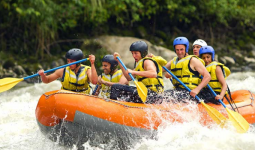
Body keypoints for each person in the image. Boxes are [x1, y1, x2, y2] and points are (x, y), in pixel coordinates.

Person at [164, 37, 211, 102]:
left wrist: (197, 90)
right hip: (178, 91)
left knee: (167, 98)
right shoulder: (174, 61)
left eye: (181, 49)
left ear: (186, 49)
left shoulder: (193, 60)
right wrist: (152, 60)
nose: (179, 52)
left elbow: (207, 76)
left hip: (190, 92)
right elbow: (161, 69)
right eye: (177, 50)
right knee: (162, 95)